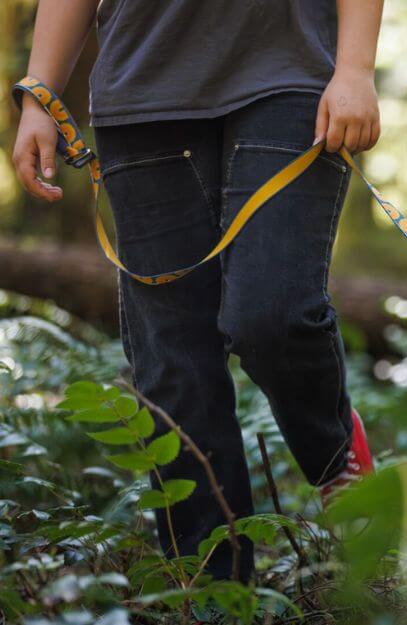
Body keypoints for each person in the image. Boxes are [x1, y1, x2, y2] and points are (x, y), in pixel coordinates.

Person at [12, 0, 382, 581]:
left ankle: (335, 451)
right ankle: (215, 588)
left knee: (273, 315)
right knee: (173, 360)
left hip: (291, 77)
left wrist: (356, 68)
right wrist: (39, 96)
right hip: (141, 95)